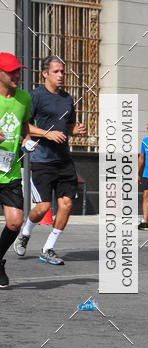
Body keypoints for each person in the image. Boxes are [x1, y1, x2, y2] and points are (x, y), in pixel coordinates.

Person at [14, 56, 86, 266]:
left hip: (64, 160)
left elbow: (68, 126)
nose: (60, 75)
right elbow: (24, 125)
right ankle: (25, 233)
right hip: (42, 160)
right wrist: (47, 133)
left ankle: (48, 249)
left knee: (66, 204)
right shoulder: (35, 96)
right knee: (43, 207)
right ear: (45, 73)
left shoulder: (67, 99)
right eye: (56, 71)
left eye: (62, 71)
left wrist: (75, 130)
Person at [0, 52, 32, 287]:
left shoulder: (24, 98)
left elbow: (24, 125)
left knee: (14, 222)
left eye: (18, 71)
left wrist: (27, 140)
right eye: (11, 72)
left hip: (9, 170)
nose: (17, 75)